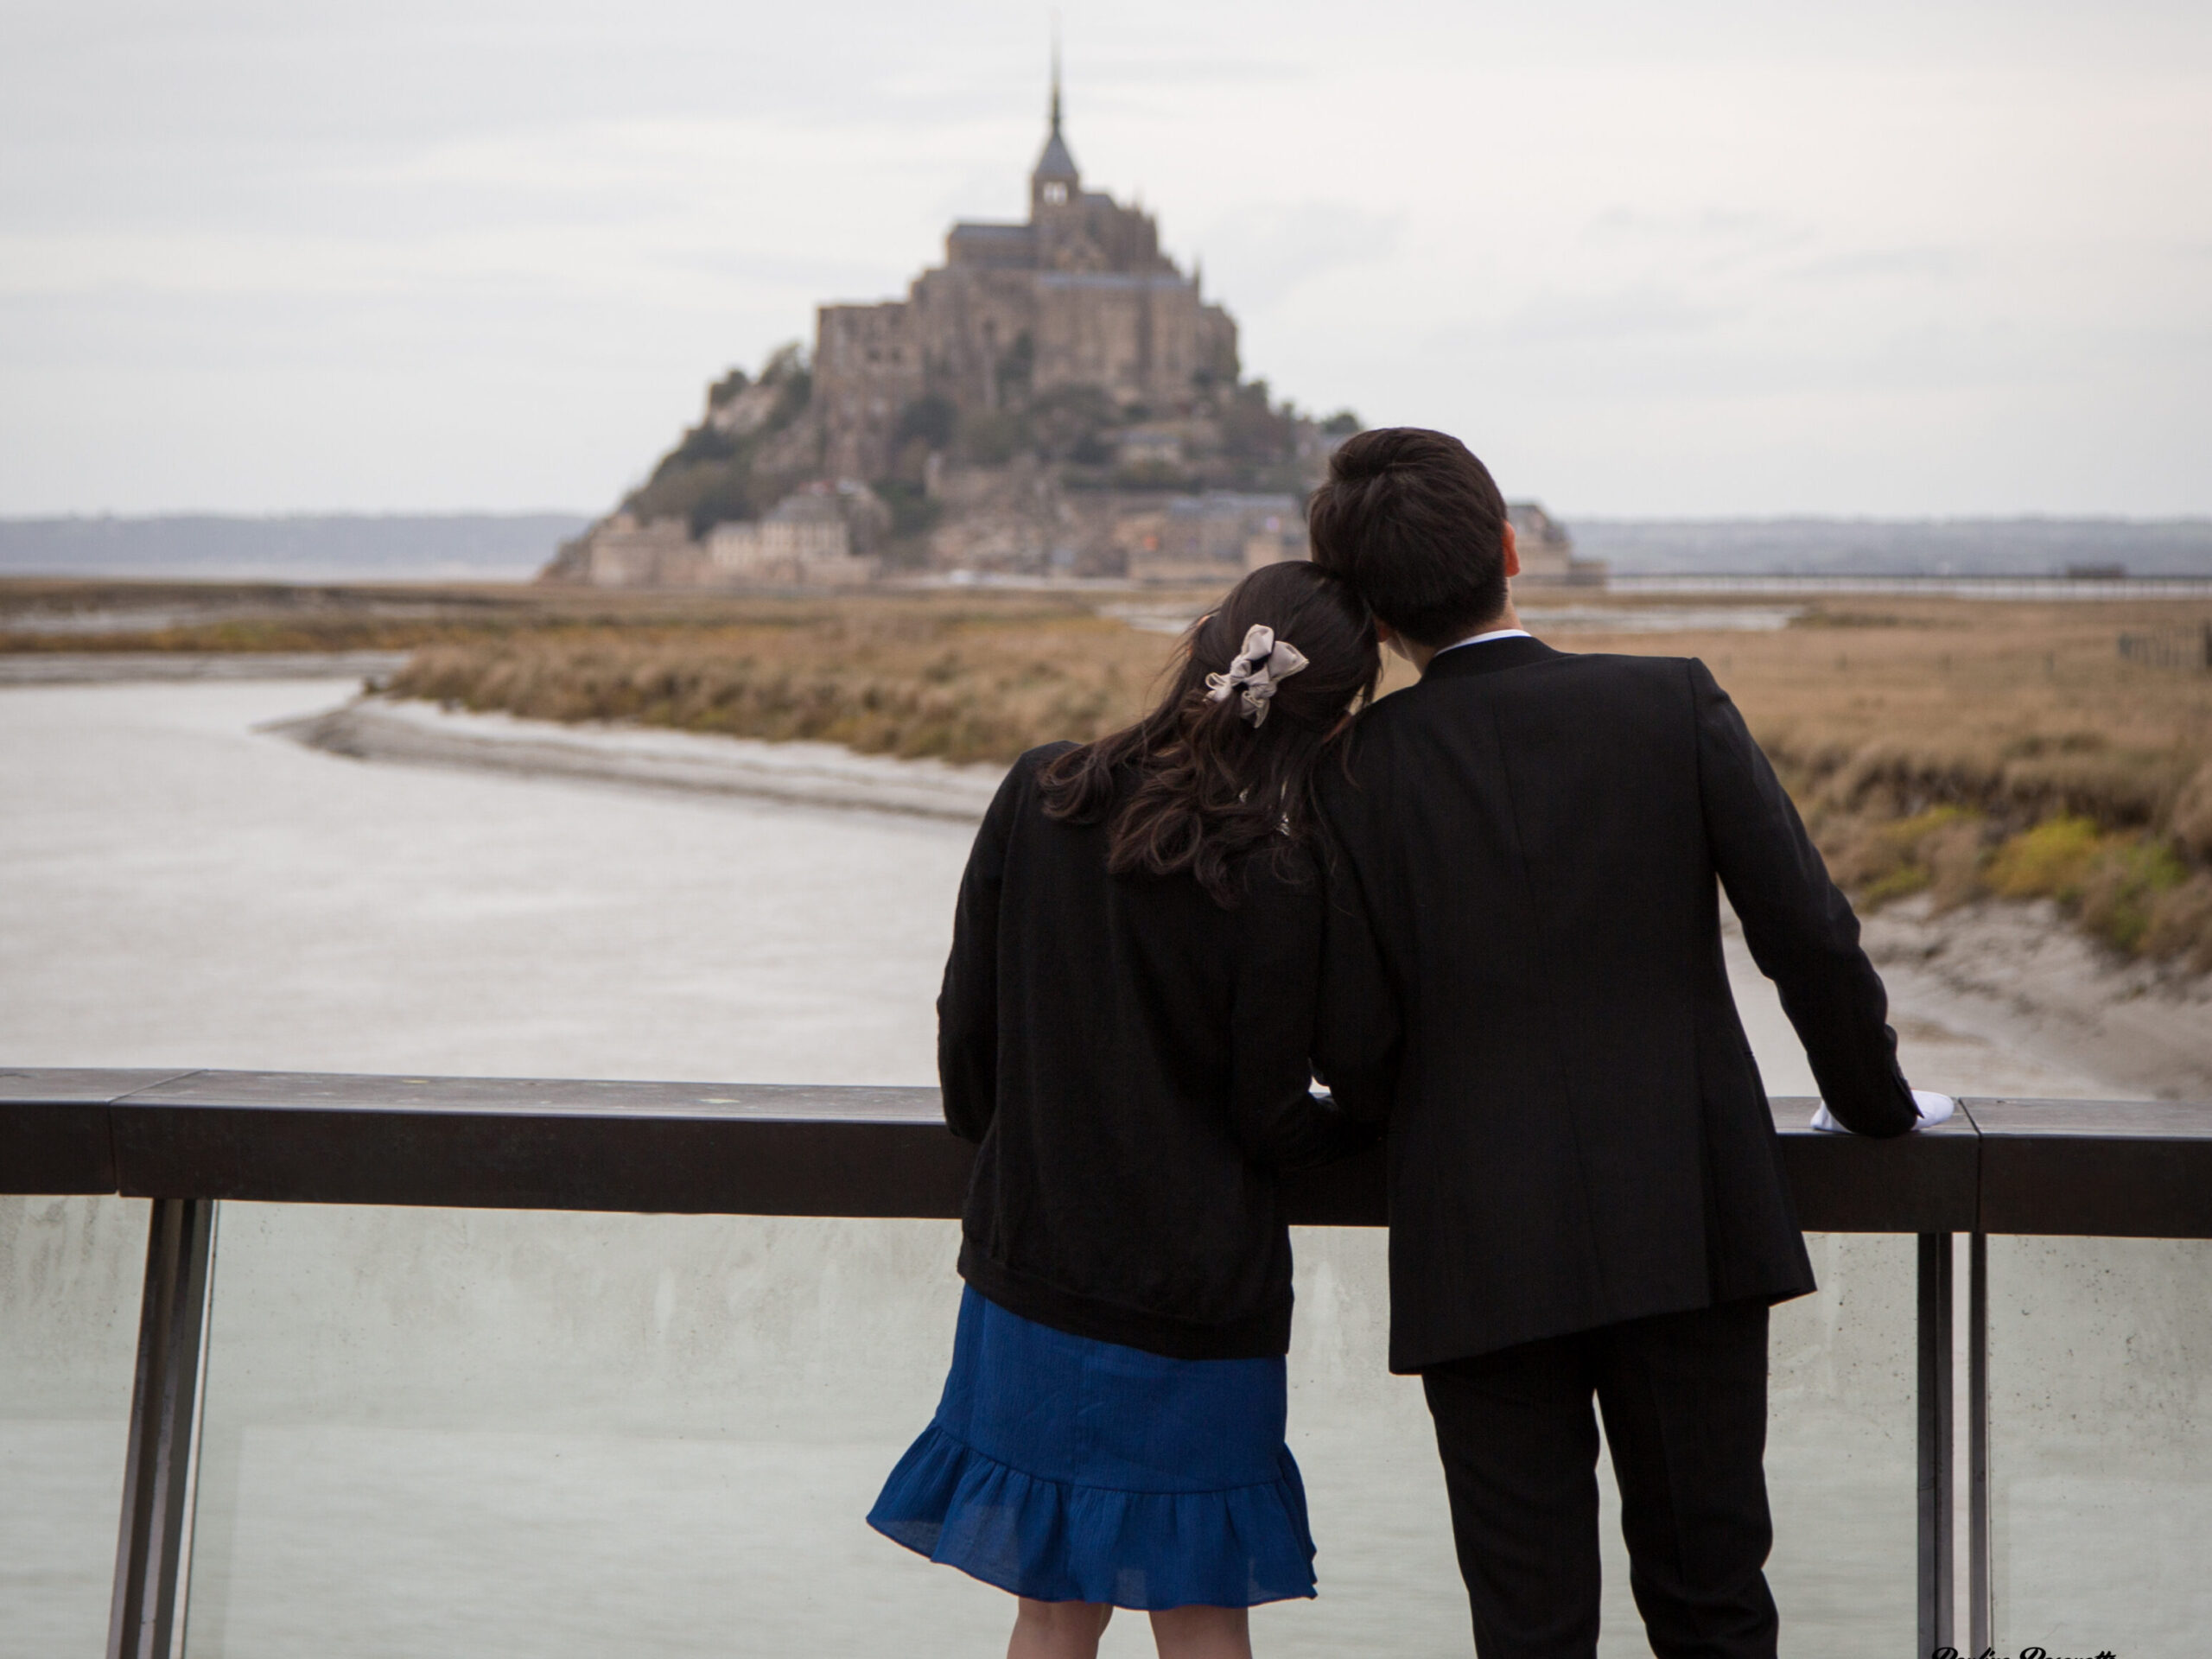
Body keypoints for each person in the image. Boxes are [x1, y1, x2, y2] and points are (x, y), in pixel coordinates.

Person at [1304, 428, 1947, 1659]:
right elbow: (1807, 937)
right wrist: (1872, 1109)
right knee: (1713, 1602)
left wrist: (1404, 1117)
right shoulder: (1671, 700)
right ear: (1510, 551)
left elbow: (1355, 1038)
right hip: (1691, 1213)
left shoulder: (1351, 772)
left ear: (1377, 618)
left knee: (1529, 1625)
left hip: (1475, 1236)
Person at [868, 560, 1395, 1659]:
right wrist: (1370, 1135)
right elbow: (1269, 1118)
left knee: (1051, 1611)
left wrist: (1015, 1157)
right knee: (1201, 1607)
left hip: (1033, 1264)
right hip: (1198, 1298)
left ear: (1204, 636)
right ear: (1335, 720)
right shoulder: (1283, 872)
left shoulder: (1040, 790)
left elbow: (968, 1031)